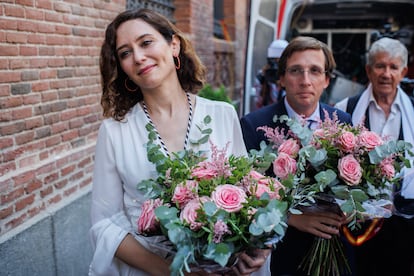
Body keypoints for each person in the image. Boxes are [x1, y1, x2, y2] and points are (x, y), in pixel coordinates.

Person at [88, 8, 271, 276]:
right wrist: (175, 272)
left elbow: (249, 195)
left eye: (146, 42)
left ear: (174, 45)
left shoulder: (222, 115)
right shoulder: (115, 131)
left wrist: (261, 246)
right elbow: (104, 224)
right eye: (125, 53)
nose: (138, 57)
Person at [241, 36, 354, 276]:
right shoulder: (254, 125)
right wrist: (291, 217)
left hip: (333, 251)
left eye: (314, 71)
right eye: (295, 71)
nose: (305, 81)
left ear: (326, 79)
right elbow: (246, 191)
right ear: (281, 78)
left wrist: (353, 205)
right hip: (280, 253)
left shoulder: (343, 123)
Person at [335, 37, 414, 276]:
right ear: (369, 70)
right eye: (380, 66)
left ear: (403, 72)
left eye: (393, 67)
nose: (386, 73)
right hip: (354, 224)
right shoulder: (344, 109)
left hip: (405, 224)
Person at [254, 39, 288, 108]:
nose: (277, 63)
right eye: (274, 59)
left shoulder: (290, 75)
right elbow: (258, 102)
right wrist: (263, 82)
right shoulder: (263, 74)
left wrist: (284, 85)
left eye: (280, 60)